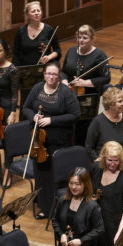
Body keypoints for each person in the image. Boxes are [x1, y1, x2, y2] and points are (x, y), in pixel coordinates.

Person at [22, 61, 80, 219]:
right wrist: (33, 116)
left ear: (59, 76)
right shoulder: (36, 89)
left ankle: (59, 210)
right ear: (44, 75)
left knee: (56, 175)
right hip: (39, 142)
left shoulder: (65, 92)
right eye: (48, 74)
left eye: (54, 74)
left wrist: (51, 120)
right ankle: (45, 208)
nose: (51, 77)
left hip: (58, 141)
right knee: (42, 175)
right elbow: (25, 108)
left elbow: (75, 114)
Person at [12, 1, 61, 110]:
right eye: (33, 11)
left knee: (43, 102)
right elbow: (16, 54)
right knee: (26, 102)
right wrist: (16, 72)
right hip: (26, 74)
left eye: (38, 10)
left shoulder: (49, 30)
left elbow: (57, 50)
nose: (36, 13)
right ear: (28, 14)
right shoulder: (21, 32)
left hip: (43, 73)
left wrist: (49, 57)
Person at [85, 87, 123, 161]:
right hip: (104, 163)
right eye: (120, 101)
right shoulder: (97, 122)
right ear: (110, 105)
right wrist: (97, 160)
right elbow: (89, 148)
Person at [61, 24, 110, 96]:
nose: (81, 40)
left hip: (89, 93)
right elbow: (63, 72)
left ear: (92, 39)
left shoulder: (100, 56)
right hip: (69, 90)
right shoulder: (71, 50)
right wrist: (64, 81)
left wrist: (84, 83)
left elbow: (106, 78)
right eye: (79, 37)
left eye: (85, 38)